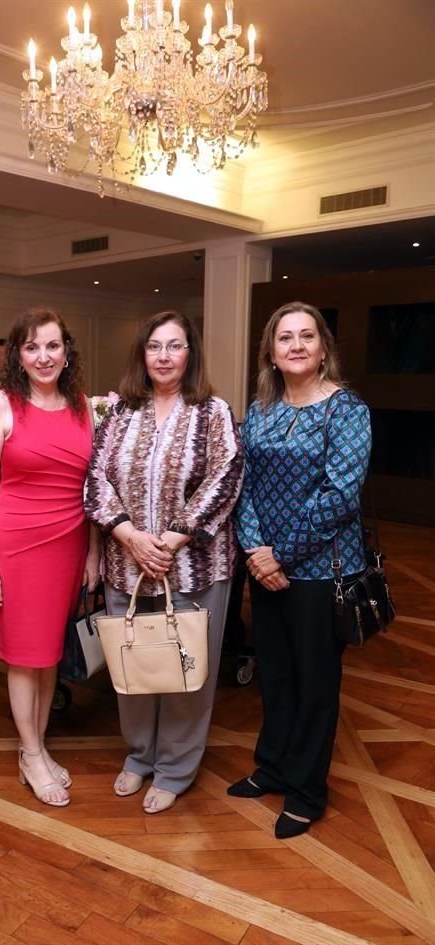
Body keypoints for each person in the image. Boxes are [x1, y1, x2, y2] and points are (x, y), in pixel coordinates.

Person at [85, 310, 244, 814]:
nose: (164, 356)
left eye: (175, 346)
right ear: (143, 354)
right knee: (133, 661)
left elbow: (227, 475)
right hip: (127, 563)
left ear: (190, 353)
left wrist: (174, 538)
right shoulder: (119, 414)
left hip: (194, 565)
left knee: (184, 667)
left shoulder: (212, 411)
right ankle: (139, 757)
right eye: (155, 346)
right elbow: (95, 479)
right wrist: (130, 536)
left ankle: (176, 767)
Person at [232, 301, 371, 839]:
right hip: (265, 566)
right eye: (284, 337)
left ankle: (307, 791)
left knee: (315, 683)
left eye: (306, 336)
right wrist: (254, 550)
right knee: (276, 673)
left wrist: (278, 554)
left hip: (320, 571)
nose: (295, 345)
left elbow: (340, 497)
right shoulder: (261, 410)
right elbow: (243, 488)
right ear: (270, 350)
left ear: (322, 347)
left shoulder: (346, 410)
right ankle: (273, 767)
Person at [0, 308, 99, 808]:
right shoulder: (3, 405)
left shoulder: (84, 405)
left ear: (67, 351)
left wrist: (93, 551)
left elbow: (94, 488)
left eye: (52, 346)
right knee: (25, 658)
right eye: (32, 348)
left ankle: (38, 747)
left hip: (68, 544)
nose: (43, 356)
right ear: (18, 357)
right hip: (17, 544)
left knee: (47, 654)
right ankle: (29, 753)